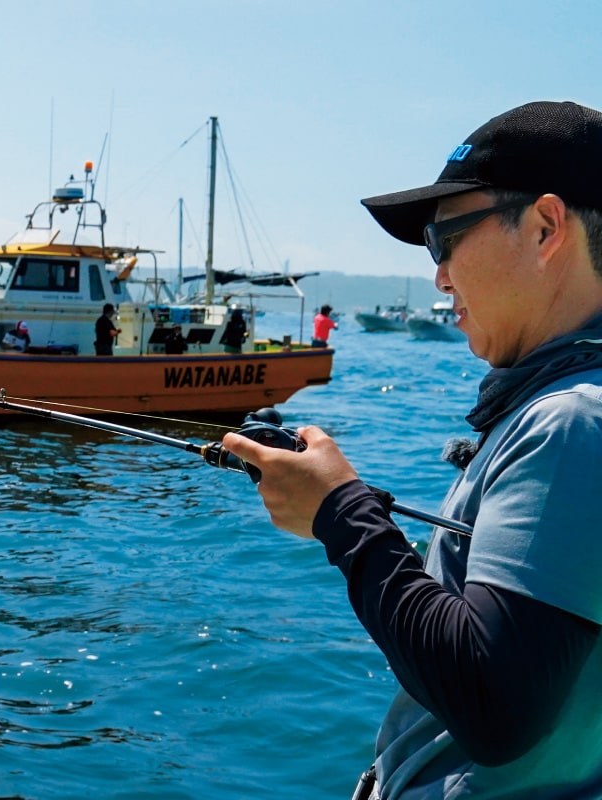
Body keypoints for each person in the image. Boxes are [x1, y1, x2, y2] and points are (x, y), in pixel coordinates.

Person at [221, 100, 602, 799]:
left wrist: (341, 514)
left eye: (444, 238)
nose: (439, 275)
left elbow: (497, 707)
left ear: (546, 228)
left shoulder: (573, 419)